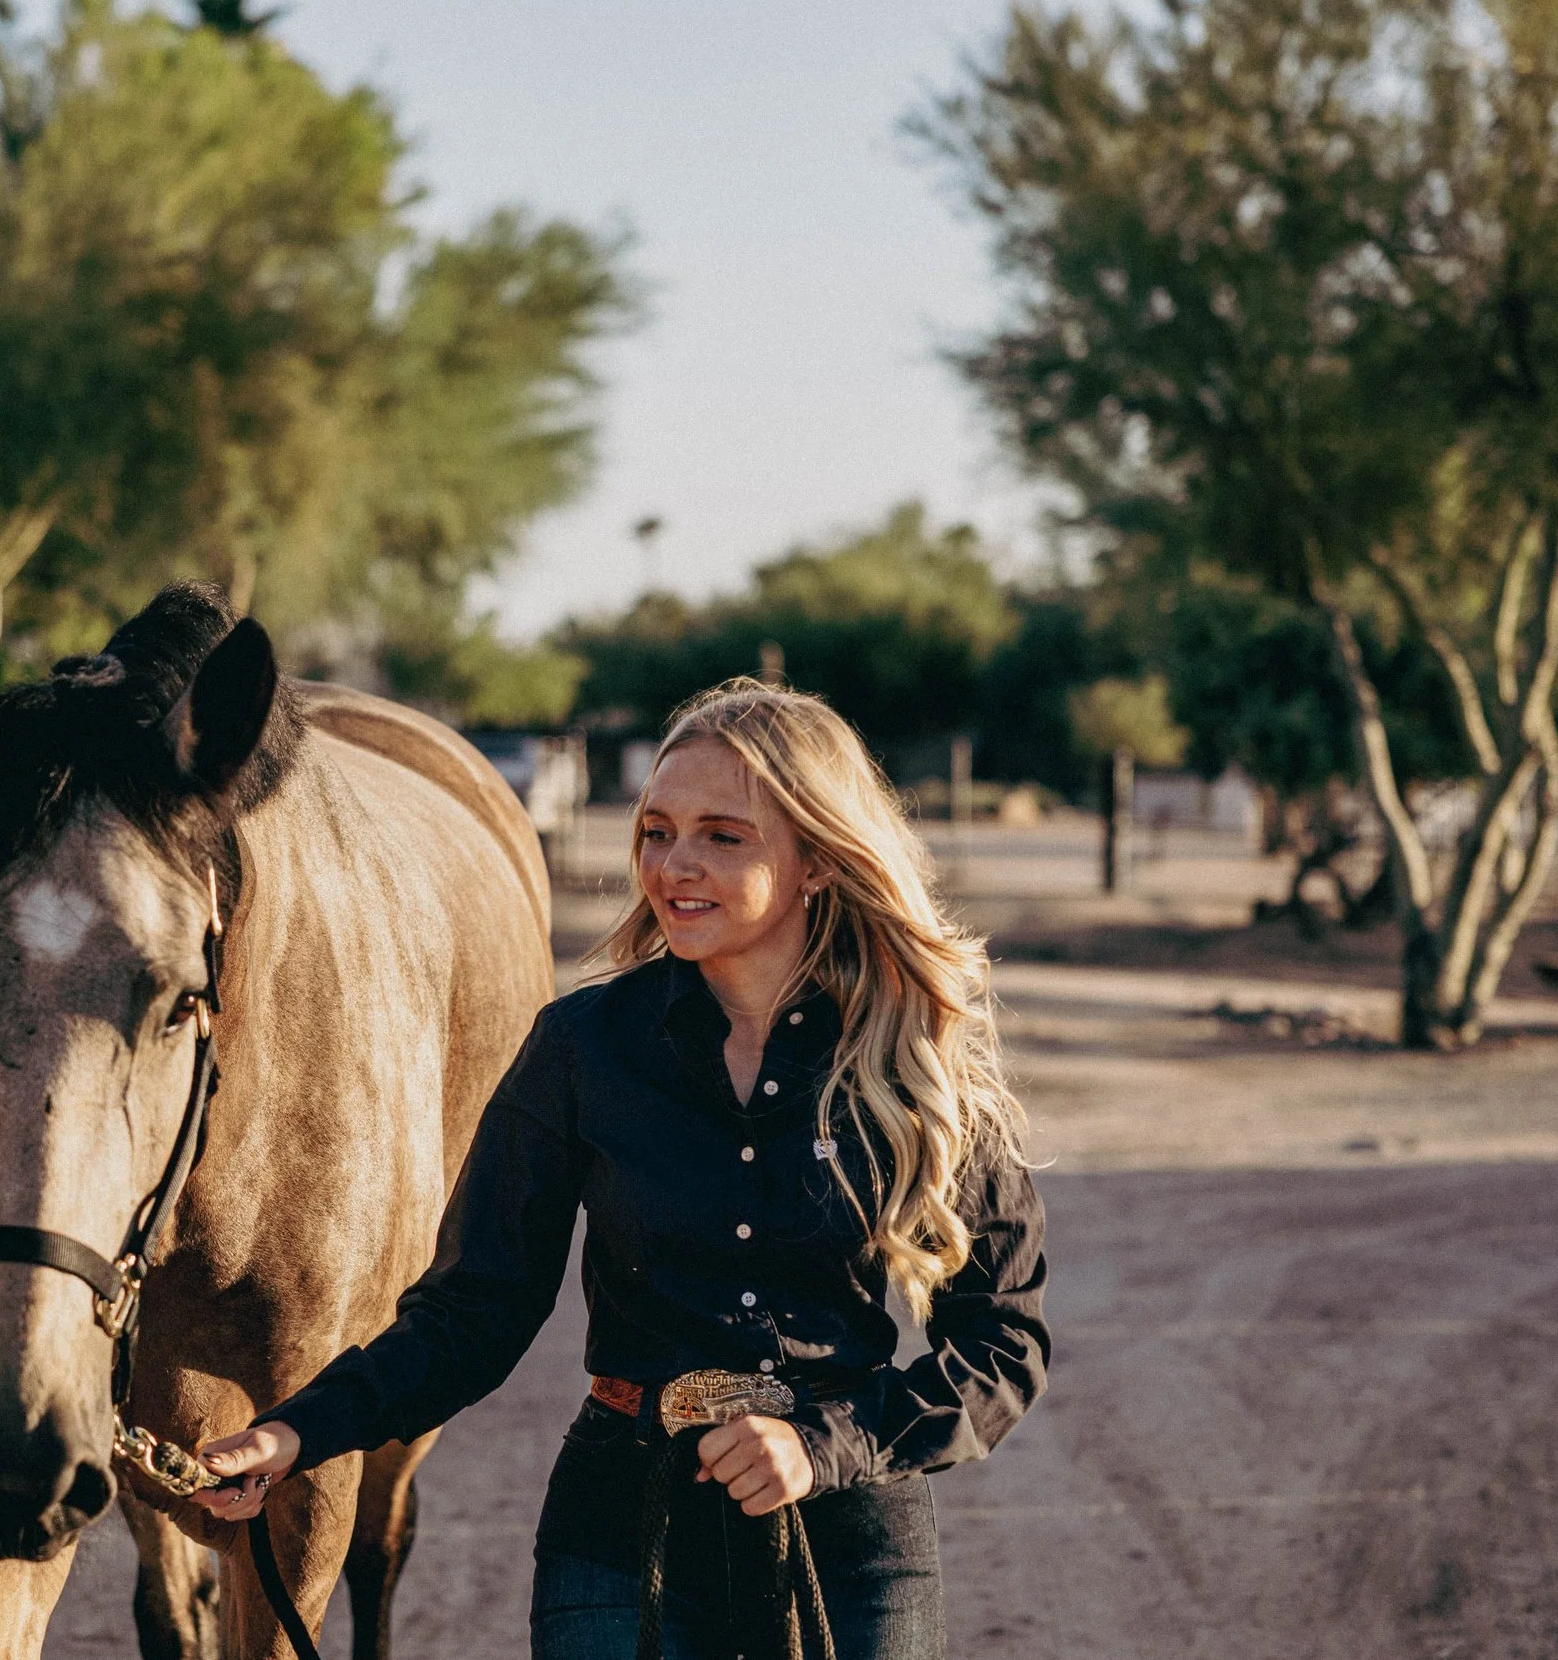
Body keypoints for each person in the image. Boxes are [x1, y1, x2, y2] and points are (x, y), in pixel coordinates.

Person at [196, 681, 1047, 1659]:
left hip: (852, 1536)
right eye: (656, 830)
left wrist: (824, 1446)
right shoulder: (580, 1046)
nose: (674, 866)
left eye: (722, 835)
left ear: (816, 858)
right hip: (617, 1526)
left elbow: (1002, 1342)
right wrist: (296, 1431)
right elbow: (472, 1311)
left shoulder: (913, 1060)